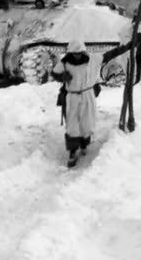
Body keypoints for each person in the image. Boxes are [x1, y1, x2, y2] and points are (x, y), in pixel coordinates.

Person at [51, 37, 135, 168]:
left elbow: (112, 53)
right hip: (72, 97)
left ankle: (84, 144)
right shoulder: (65, 62)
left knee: (87, 122)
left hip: (87, 95)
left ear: (83, 52)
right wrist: (62, 77)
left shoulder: (93, 59)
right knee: (72, 125)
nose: (77, 56)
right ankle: (73, 152)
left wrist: (128, 46)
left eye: (79, 53)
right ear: (70, 53)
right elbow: (55, 73)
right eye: (74, 53)